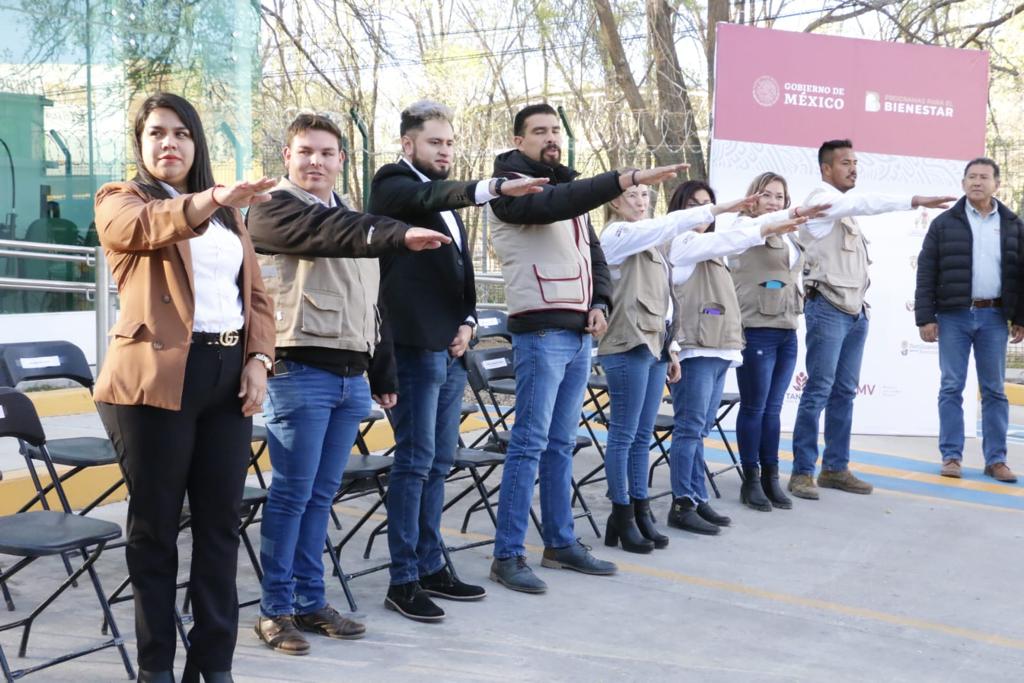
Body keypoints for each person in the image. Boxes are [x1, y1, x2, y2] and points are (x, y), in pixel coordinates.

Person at [247, 113, 450, 654]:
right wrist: (395, 232)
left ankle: (311, 601)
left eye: (326, 153)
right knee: (292, 496)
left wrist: (382, 372)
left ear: (340, 160)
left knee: (320, 497)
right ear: (287, 157)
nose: (316, 161)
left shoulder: (355, 220)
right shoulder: (272, 209)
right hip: (298, 372)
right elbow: (323, 234)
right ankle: (275, 610)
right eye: (305, 151)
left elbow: (372, 305)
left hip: (349, 377)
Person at [93, 92, 277, 683]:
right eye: (156, 133)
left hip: (227, 376)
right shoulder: (121, 199)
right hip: (155, 382)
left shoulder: (228, 217)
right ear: (140, 144)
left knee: (220, 526)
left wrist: (260, 359)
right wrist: (213, 198)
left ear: (196, 143)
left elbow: (258, 297)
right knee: (155, 531)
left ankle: (214, 664)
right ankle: (156, 670)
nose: (168, 143)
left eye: (180, 133)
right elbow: (144, 228)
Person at [486, 102, 686, 593]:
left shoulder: (564, 190)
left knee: (560, 444)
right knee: (530, 444)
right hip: (540, 332)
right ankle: (507, 554)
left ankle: (559, 543)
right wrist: (623, 178)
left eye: (555, 130)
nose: (551, 137)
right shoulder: (508, 188)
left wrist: (599, 301)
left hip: (578, 333)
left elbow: (593, 256)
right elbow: (552, 206)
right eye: (539, 131)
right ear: (518, 141)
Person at [369, 101, 546, 620]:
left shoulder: (443, 196)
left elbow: (458, 271)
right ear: (408, 144)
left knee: (439, 461)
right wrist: (491, 187)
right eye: (435, 142)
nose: (445, 151)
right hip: (413, 350)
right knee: (415, 461)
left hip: (450, 349)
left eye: (449, 142)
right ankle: (403, 579)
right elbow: (429, 196)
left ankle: (430, 565)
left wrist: (468, 321)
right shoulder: (392, 184)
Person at [789, 139, 954, 501]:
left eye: (855, 163)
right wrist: (915, 200)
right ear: (826, 169)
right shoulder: (821, 200)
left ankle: (835, 469)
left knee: (844, 393)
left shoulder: (844, 211)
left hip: (854, 312)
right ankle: (801, 472)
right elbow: (866, 202)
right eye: (845, 163)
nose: (853, 169)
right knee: (818, 390)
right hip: (828, 308)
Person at [597, 183, 757, 551]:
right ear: (615, 201)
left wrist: (671, 347)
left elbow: (666, 301)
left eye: (645, 196)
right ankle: (621, 513)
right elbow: (666, 227)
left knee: (641, 436)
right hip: (627, 344)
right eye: (632, 195)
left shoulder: (653, 242)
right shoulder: (616, 235)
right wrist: (721, 208)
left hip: (655, 345)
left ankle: (640, 511)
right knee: (623, 435)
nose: (641, 202)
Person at [663, 180, 804, 535]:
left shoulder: (710, 247)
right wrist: (767, 220)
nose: (702, 212)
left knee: (700, 429)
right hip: (695, 349)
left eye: (707, 204)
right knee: (689, 428)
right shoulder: (683, 243)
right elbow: (733, 238)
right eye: (694, 205)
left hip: (718, 349)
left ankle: (696, 497)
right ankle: (682, 503)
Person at [915, 157, 1024, 483]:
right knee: (951, 386)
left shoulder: (1013, 224)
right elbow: (926, 271)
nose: (977, 182)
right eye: (971, 177)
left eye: (984, 177)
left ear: (997, 184)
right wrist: (925, 317)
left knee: (994, 390)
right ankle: (951, 456)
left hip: (994, 317)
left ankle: (996, 460)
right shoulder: (944, 224)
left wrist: (1020, 317)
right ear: (963, 183)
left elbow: (1021, 275)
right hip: (954, 316)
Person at [725, 172, 829, 511]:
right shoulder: (744, 228)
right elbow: (751, 235)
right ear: (752, 197)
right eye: (766, 195)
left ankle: (771, 475)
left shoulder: (789, 234)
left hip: (787, 328)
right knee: (754, 408)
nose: (773, 202)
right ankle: (751, 479)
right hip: (757, 328)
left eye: (779, 196)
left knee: (772, 409)